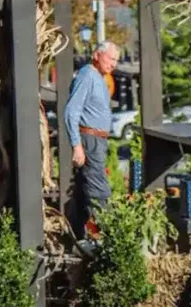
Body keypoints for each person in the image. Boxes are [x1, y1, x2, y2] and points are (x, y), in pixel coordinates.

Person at [65, 41, 119, 238]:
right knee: (99, 188)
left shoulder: (99, 78)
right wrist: (76, 145)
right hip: (89, 139)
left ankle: (75, 238)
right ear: (97, 55)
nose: (114, 64)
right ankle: (113, 239)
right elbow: (72, 111)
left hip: (97, 139)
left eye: (116, 60)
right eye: (111, 58)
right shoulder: (87, 75)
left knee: (81, 191)